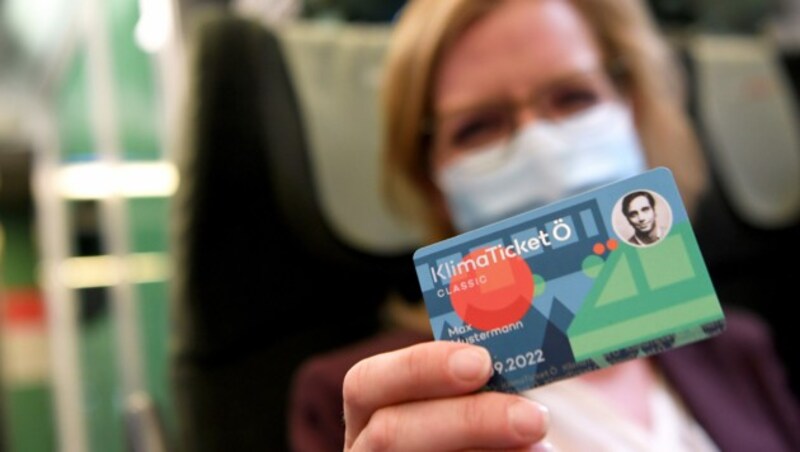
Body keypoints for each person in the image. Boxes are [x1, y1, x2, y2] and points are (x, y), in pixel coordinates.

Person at [289, 0, 800, 451]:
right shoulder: (361, 409)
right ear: (432, 183)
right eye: (479, 125)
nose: (540, 147)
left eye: (573, 97)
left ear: (633, 108)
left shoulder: (740, 351)